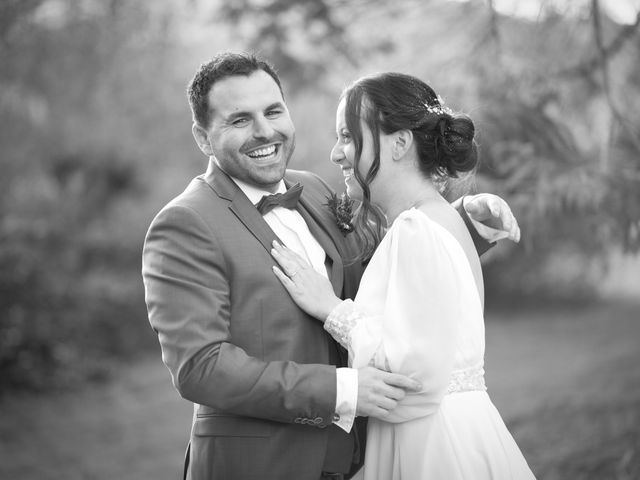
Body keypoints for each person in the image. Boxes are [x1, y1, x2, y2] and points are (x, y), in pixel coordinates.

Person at [142, 52, 520, 480]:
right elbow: (200, 366)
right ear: (203, 138)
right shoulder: (185, 223)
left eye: (273, 111)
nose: (265, 131)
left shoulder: (317, 192)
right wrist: (343, 391)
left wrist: (458, 222)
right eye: (239, 120)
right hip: (262, 466)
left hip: (356, 461)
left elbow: (391, 268)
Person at [271, 72, 535, 479]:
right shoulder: (438, 221)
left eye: (347, 136)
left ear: (399, 143)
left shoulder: (417, 230)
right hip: (457, 430)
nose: (336, 154)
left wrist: (329, 309)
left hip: (433, 446)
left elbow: (409, 380)